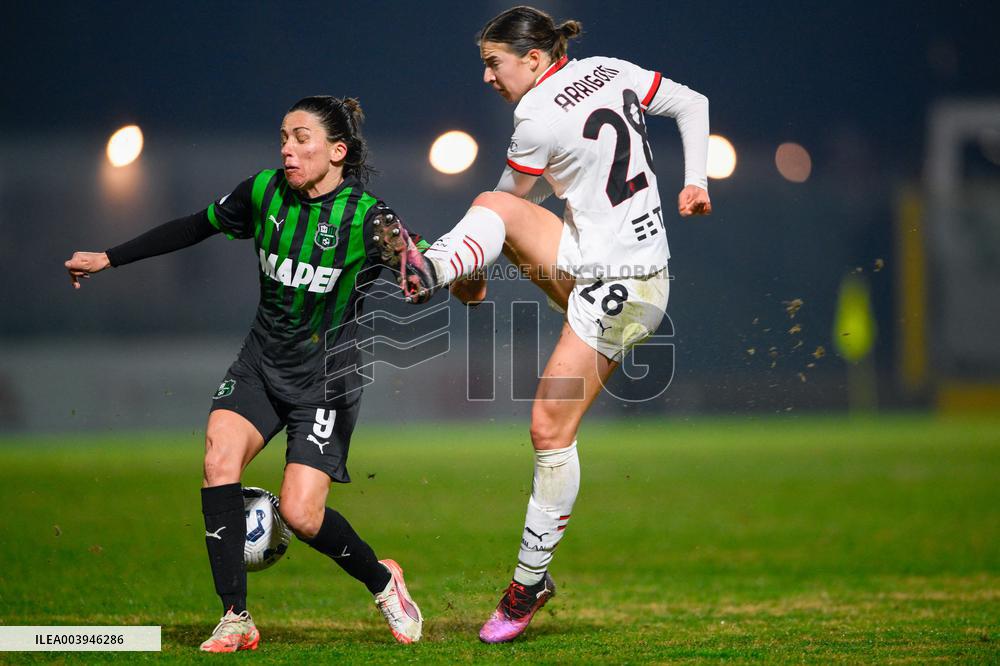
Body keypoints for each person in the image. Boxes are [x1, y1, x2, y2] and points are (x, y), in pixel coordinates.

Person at [376, 6, 712, 643]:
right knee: (489, 210)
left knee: (548, 426)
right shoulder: (608, 69)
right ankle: (439, 266)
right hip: (604, 265)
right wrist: (693, 182)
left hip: (624, 285)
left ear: (533, 59)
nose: (486, 77)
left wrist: (473, 268)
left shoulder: (535, 116)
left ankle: (528, 585)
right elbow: (692, 103)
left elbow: (511, 200)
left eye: (493, 63)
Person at [65, 96, 425, 652]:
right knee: (217, 460)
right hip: (260, 365)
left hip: (324, 381)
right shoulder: (262, 191)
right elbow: (193, 227)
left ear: (337, 151)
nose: (287, 148)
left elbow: (426, 269)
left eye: (301, 138)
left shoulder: (368, 217)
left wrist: (453, 279)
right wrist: (110, 257)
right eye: (283, 136)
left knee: (304, 515)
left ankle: (384, 582)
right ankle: (235, 616)